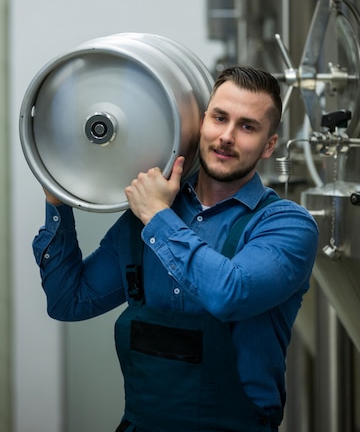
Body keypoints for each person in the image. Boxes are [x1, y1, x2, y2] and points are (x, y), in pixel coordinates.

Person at [33, 66, 318, 432]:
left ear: (269, 146)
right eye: (219, 118)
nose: (226, 136)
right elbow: (68, 301)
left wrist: (156, 215)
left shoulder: (285, 225)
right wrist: (58, 204)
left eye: (247, 126)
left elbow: (231, 293)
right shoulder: (148, 219)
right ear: (202, 122)